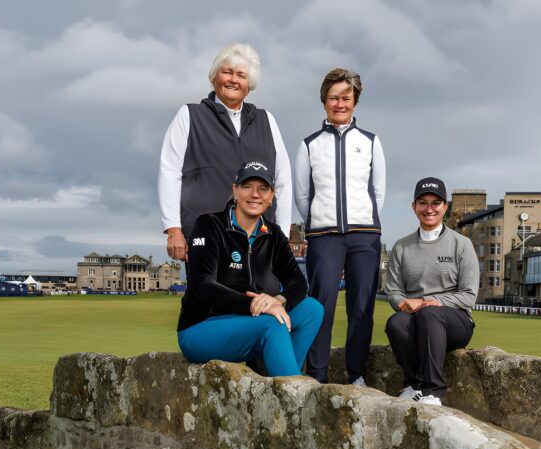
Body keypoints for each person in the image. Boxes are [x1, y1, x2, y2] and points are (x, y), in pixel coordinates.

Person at [177, 161, 322, 376]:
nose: (255, 194)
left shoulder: (273, 234)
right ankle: (291, 397)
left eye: (263, 188)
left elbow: (298, 282)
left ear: (271, 196)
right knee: (273, 324)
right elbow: (203, 286)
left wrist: (278, 301)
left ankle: (275, 377)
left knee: (312, 309)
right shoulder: (209, 224)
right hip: (201, 327)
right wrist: (255, 304)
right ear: (235, 190)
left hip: (250, 322)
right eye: (247, 186)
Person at [293, 68, 386, 385]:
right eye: (334, 97)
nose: (340, 103)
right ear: (324, 101)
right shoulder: (309, 145)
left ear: (355, 101)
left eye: (346, 97)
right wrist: (321, 221)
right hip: (324, 237)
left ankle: (356, 374)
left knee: (362, 307)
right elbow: (302, 195)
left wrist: (363, 221)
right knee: (321, 307)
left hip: (365, 237)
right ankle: (316, 375)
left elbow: (378, 192)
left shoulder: (371, 142)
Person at [159, 42, 292, 263]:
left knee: (258, 297)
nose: (233, 80)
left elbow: (283, 179)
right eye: (227, 72)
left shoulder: (266, 119)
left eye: (241, 75)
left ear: (249, 85)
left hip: (259, 236)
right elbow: (169, 171)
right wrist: (173, 229)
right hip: (205, 232)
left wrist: (284, 236)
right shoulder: (189, 115)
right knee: (208, 296)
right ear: (214, 77)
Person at [384, 177, 479, 406]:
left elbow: (468, 295)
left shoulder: (461, 244)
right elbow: (394, 291)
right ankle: (414, 385)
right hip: (417, 320)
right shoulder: (401, 247)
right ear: (414, 207)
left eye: (436, 203)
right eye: (423, 203)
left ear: (445, 207)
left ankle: (433, 391)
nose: (429, 209)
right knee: (396, 322)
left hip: (455, 323)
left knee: (429, 313)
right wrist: (404, 304)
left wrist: (426, 301)